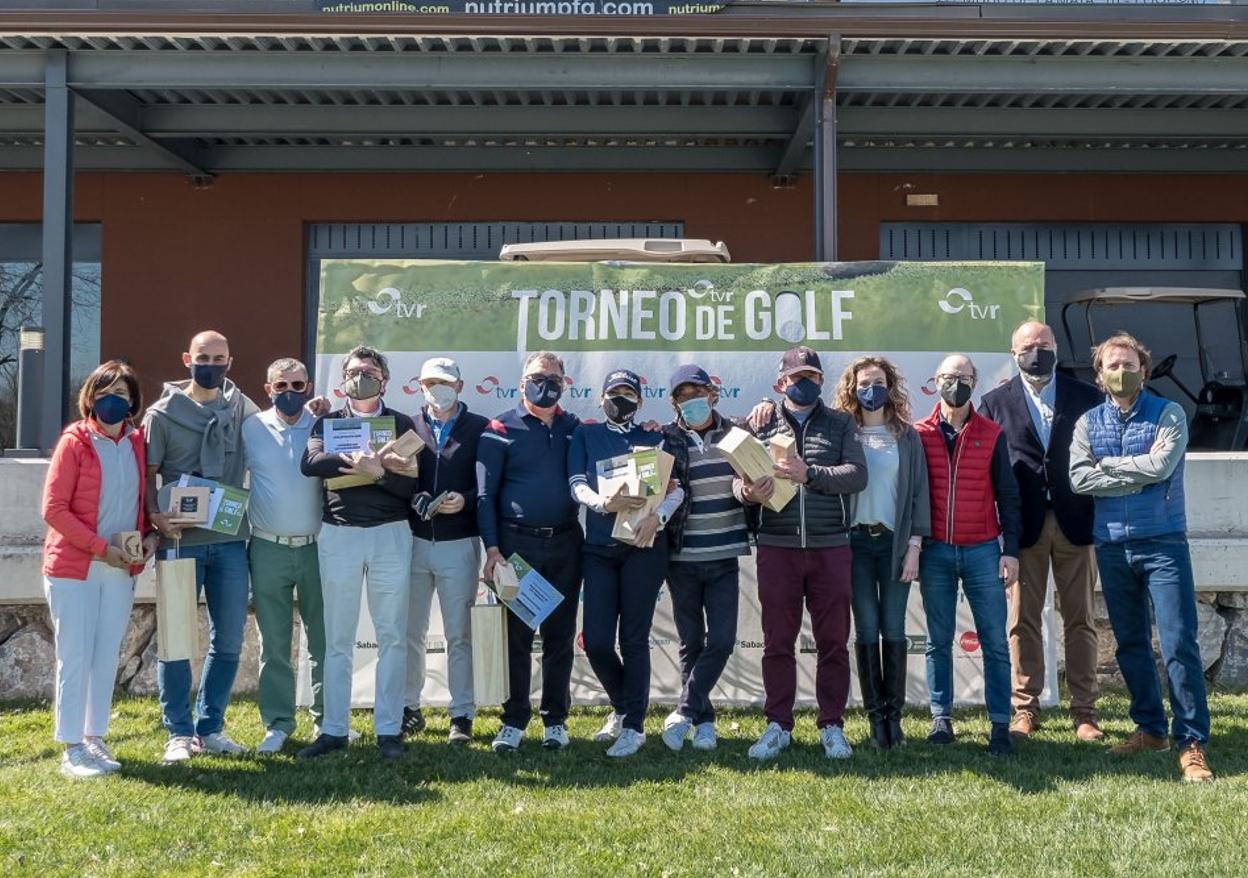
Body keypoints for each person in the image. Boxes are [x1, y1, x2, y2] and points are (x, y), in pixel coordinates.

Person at [1070, 333, 1213, 783]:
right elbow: (1078, 479)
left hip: (1163, 543)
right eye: (1112, 365)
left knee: (1178, 645)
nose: (1121, 371)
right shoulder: (1087, 423)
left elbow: (1161, 467)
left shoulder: (1168, 413)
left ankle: (1191, 742)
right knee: (1130, 643)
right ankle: (1151, 729)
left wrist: (1107, 466)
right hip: (1112, 545)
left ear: (1144, 371)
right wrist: (1132, 471)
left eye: (1129, 364)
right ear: (1099, 375)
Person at [740, 346, 868, 762]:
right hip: (777, 547)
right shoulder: (757, 424)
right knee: (778, 642)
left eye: (812, 376)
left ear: (821, 382)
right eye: (797, 377)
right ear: (781, 382)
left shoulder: (840, 422)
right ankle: (778, 724)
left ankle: (832, 725)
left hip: (831, 545)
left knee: (833, 642)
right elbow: (735, 482)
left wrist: (809, 474)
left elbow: (857, 475)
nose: (804, 383)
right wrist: (745, 493)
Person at [979, 320, 1104, 742]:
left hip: (1077, 522)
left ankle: (1084, 712)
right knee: (1022, 621)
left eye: (1045, 344)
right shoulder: (994, 403)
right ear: (1014, 354)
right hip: (1022, 528)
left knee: (1081, 620)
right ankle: (1024, 708)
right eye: (1029, 346)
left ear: (1056, 348)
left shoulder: (1088, 397)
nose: (1038, 352)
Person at [297, 345, 418, 761]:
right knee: (338, 639)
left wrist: (378, 473)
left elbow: (410, 487)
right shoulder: (328, 422)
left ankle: (388, 730)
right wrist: (357, 460)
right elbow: (311, 463)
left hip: (391, 535)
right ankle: (334, 729)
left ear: (384, 379)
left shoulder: (402, 424)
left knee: (392, 637)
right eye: (353, 371)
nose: (360, 377)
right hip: (340, 535)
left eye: (368, 371)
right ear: (342, 379)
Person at [144, 330, 258, 763]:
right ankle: (177, 731)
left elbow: (278, 431)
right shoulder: (161, 415)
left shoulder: (242, 408)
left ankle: (210, 727)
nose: (211, 364)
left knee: (228, 640)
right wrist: (155, 516)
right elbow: (147, 473)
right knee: (175, 639)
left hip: (230, 541)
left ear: (230, 361)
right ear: (186, 359)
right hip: (179, 542)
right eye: (203, 357)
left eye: (219, 358)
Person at [42, 360, 159, 778]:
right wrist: (98, 548)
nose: (113, 402)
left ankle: (95, 737)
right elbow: (53, 509)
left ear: (132, 403)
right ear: (91, 398)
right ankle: (72, 747)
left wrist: (149, 538)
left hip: (119, 570)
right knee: (74, 656)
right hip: (75, 568)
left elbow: (142, 502)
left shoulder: (137, 443)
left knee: (106, 655)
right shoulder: (74, 442)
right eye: (105, 393)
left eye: (122, 396)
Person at [568, 369, 684, 758]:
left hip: (644, 547)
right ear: (601, 398)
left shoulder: (654, 436)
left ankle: (633, 726)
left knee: (634, 639)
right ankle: (622, 707)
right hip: (599, 547)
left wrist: (659, 517)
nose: (621, 400)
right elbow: (576, 483)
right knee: (598, 641)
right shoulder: (586, 435)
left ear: (640, 400)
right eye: (614, 393)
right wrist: (603, 503)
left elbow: (675, 489)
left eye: (629, 394)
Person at [913, 353, 1022, 756]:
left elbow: (1009, 496)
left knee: (994, 640)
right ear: (936, 381)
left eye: (963, 376)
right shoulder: (918, 433)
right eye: (948, 376)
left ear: (975, 382)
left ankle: (999, 725)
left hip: (981, 550)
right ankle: (941, 718)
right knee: (937, 640)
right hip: (936, 551)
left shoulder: (992, 433)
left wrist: (1010, 550)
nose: (955, 382)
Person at [478, 351, 584, 753]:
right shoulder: (498, 428)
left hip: (566, 543)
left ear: (565, 383)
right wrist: (492, 549)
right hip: (516, 548)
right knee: (518, 639)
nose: (545, 384)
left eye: (553, 378)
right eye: (537, 377)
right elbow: (485, 496)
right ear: (522, 383)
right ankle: (514, 720)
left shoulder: (576, 428)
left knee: (559, 636)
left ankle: (555, 720)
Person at [835, 356, 929, 750]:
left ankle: (895, 719)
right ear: (852, 389)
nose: (871, 388)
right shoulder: (844, 433)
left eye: (878, 381)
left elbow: (920, 495)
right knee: (867, 629)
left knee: (893, 629)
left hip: (894, 545)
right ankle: (875, 720)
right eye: (864, 382)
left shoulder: (906, 436)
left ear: (890, 387)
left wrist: (914, 547)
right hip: (855, 543)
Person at [658, 365, 751, 752]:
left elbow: (759, 468)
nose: (691, 402)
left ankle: (684, 710)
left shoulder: (738, 434)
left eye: (698, 393)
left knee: (723, 640)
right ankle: (704, 722)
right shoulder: (665, 439)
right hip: (681, 557)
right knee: (691, 642)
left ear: (713, 394)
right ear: (674, 403)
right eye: (683, 396)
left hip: (724, 553)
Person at [403, 356, 489, 746]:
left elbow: (487, 488)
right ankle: (409, 707)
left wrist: (465, 500)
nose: (437, 390)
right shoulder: (407, 426)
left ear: (459, 386)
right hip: (415, 542)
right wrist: (413, 495)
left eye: (445, 383)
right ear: (419, 385)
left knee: (459, 634)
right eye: (430, 383)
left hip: (460, 543)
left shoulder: (481, 428)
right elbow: (394, 478)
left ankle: (462, 714)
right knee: (411, 632)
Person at [242, 357, 326, 755]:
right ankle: (277, 723)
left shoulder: (323, 424)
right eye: (281, 386)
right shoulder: (251, 428)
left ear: (308, 386)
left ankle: (329, 721)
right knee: (273, 643)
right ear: (267, 388)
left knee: (324, 640)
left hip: (318, 547)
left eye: (297, 385)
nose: (289, 393)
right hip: (267, 547)